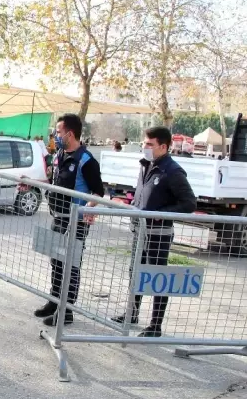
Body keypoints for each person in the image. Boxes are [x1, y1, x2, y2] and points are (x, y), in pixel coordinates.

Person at [111, 127, 196, 337]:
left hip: (159, 232)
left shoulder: (172, 171)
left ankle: (155, 324)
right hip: (140, 229)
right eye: (144, 143)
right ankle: (132, 312)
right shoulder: (146, 165)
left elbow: (189, 203)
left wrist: (161, 213)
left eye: (149, 144)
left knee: (158, 277)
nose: (144, 147)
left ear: (163, 147)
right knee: (136, 272)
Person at [35, 114, 105, 326]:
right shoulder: (59, 155)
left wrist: (86, 211)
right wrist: (30, 181)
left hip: (76, 221)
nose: (55, 135)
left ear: (70, 134)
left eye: (58, 132)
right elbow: (53, 181)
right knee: (56, 261)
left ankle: (67, 311)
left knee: (70, 266)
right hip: (58, 216)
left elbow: (98, 193)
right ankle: (54, 302)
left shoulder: (86, 160)